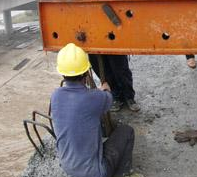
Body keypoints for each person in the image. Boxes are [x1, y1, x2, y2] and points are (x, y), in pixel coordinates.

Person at [53, 0, 140, 112]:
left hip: (110, 19)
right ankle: (114, 96)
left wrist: (114, 0)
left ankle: (129, 97)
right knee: (99, 63)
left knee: (119, 64)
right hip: (89, 23)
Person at [51, 43, 136, 177]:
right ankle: (123, 173)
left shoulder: (55, 96)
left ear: (62, 73)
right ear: (86, 72)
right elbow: (108, 98)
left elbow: (80, 104)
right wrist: (105, 88)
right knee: (127, 131)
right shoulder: (95, 98)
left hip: (68, 167)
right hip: (96, 172)